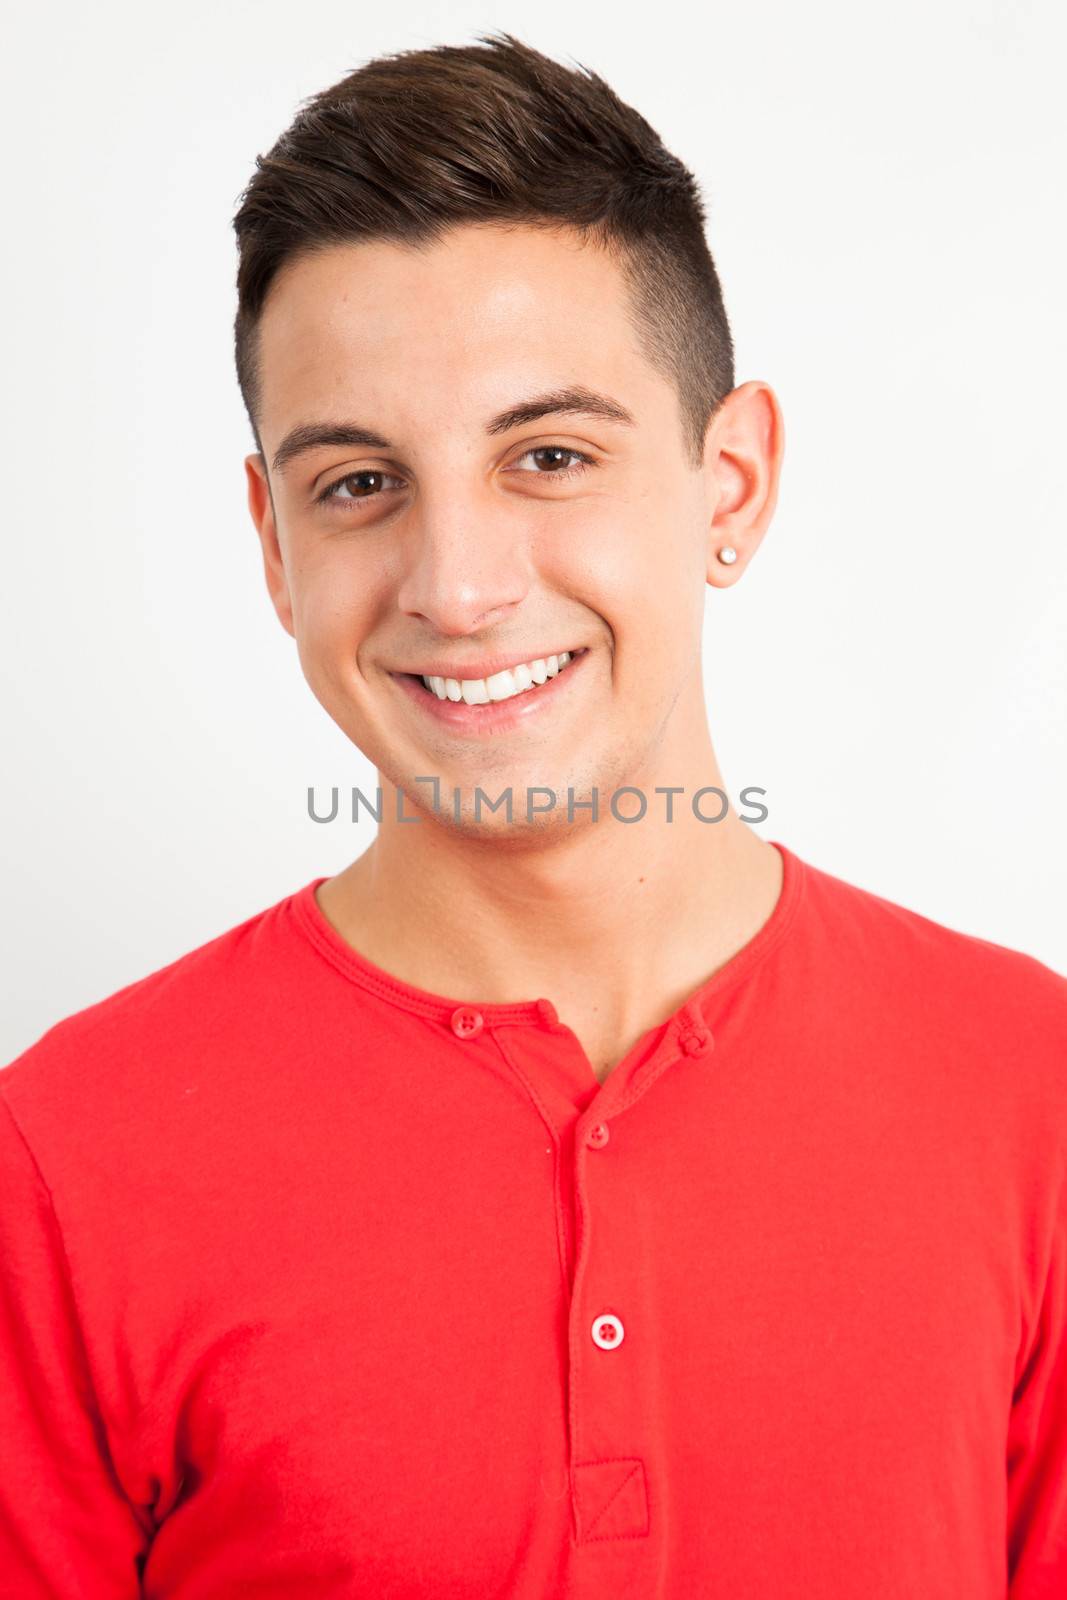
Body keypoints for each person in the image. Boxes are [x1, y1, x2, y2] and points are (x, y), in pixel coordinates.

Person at [1, 32, 1063, 1599]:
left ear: (731, 485)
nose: (458, 587)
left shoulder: (1031, 1093)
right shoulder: (59, 1164)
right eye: (359, 484)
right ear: (274, 546)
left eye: (548, 455)